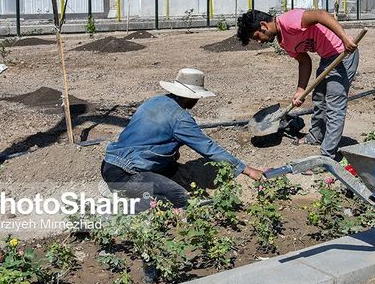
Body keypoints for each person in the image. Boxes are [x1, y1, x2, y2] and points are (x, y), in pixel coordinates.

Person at [102, 68, 263, 212]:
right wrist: (247, 170)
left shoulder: (155, 101)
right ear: (190, 97)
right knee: (179, 198)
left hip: (110, 165)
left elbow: (148, 139)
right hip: (127, 175)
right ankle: (123, 206)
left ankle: (127, 195)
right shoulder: (180, 119)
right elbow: (208, 148)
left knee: (177, 174)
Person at [237, 9, 358, 160]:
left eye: (257, 37)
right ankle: (316, 136)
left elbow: (321, 14)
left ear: (263, 25)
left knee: (334, 106)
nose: (260, 42)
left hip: (343, 54)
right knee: (319, 100)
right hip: (327, 58)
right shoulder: (283, 41)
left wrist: (344, 38)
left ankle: (327, 156)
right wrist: (300, 90)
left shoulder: (289, 21)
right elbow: (304, 60)